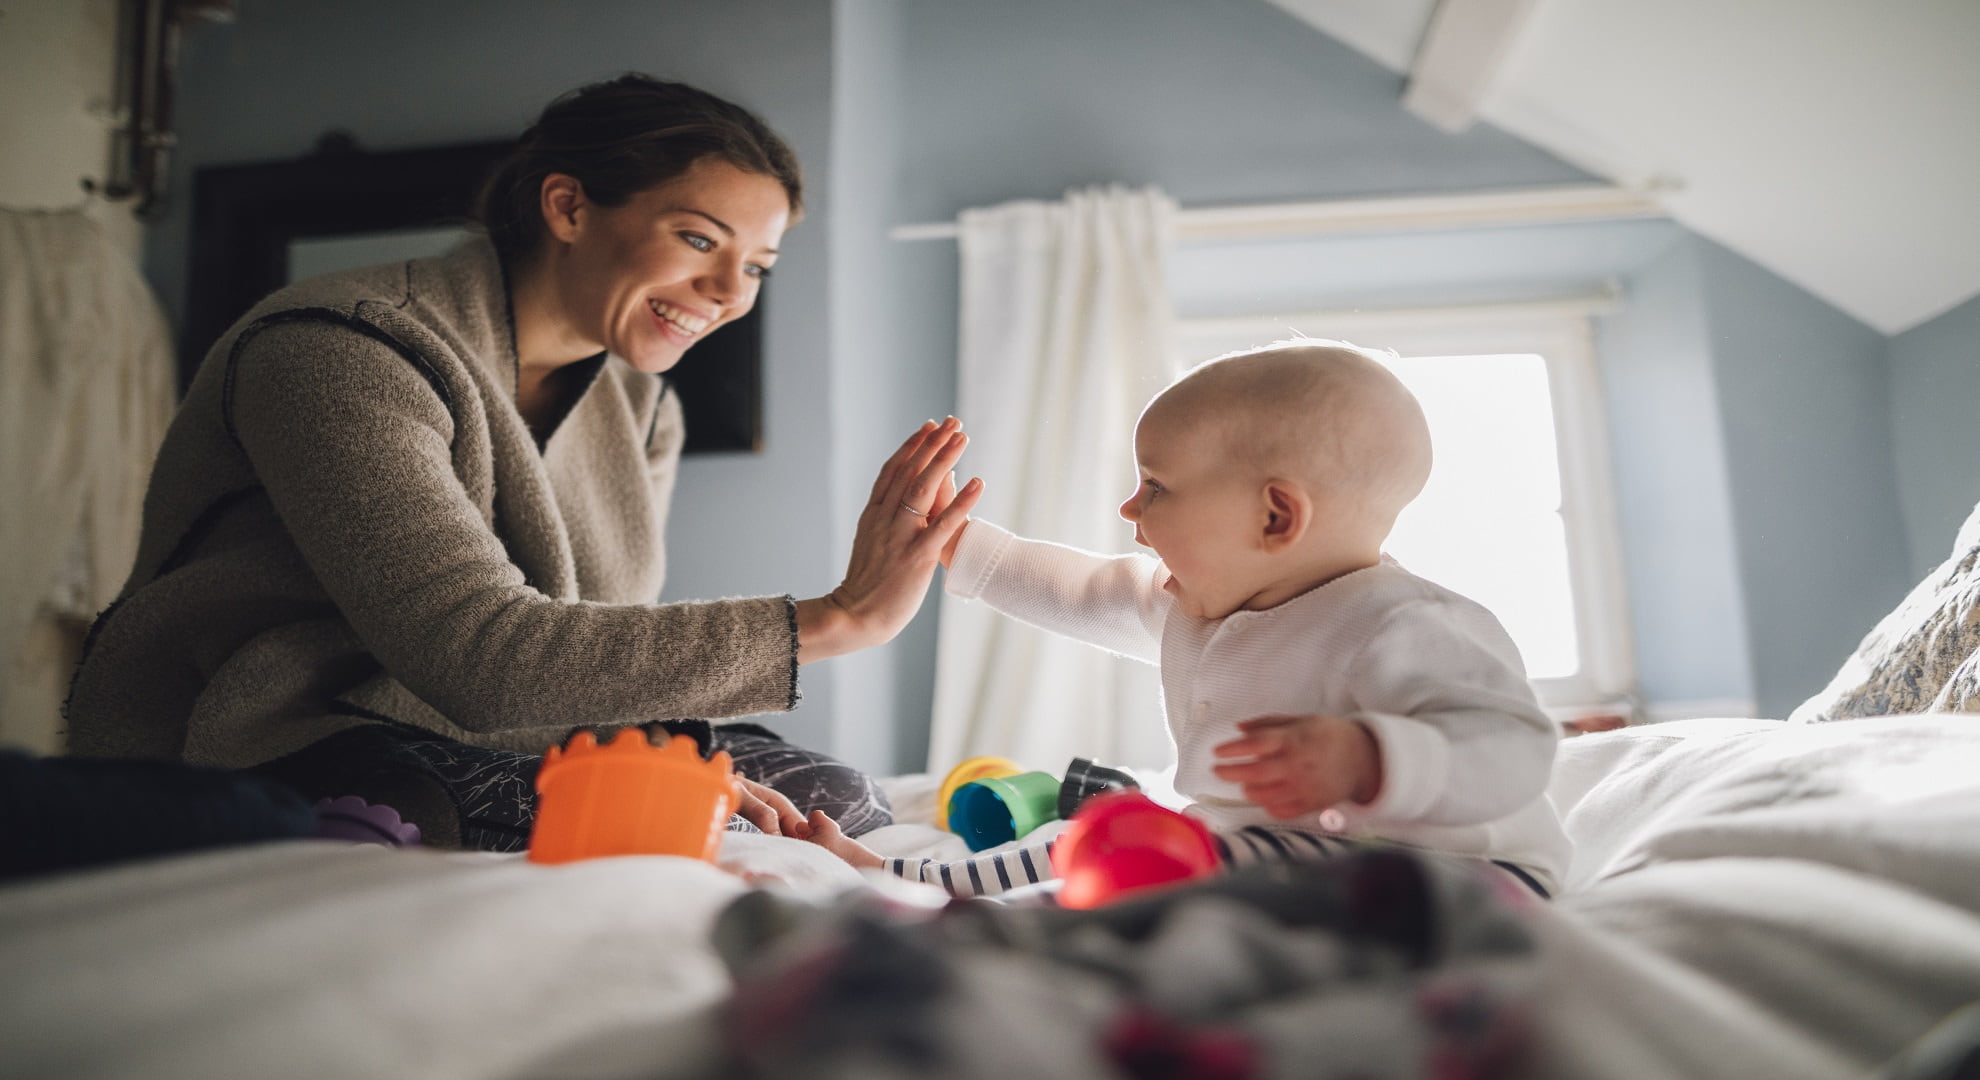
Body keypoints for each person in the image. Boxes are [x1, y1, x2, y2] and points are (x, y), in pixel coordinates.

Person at [63, 74, 981, 851]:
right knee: (488, 808)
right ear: (568, 206)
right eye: (701, 240)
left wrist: (663, 758)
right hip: (269, 732)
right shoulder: (337, 352)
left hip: (501, 726)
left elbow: (592, 646)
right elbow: (478, 657)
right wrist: (838, 617)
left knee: (836, 797)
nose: (728, 293)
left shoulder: (641, 404)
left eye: (758, 266)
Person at [801, 339, 1570, 898]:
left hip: (1459, 877)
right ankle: (912, 878)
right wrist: (957, 544)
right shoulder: (1199, 605)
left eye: (1156, 487)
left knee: (1181, 859)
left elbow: (1515, 749)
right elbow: (1082, 590)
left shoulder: (1406, 622)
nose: (1130, 509)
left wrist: (1370, 756)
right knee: (1101, 836)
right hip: (1281, 854)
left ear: (1275, 516)